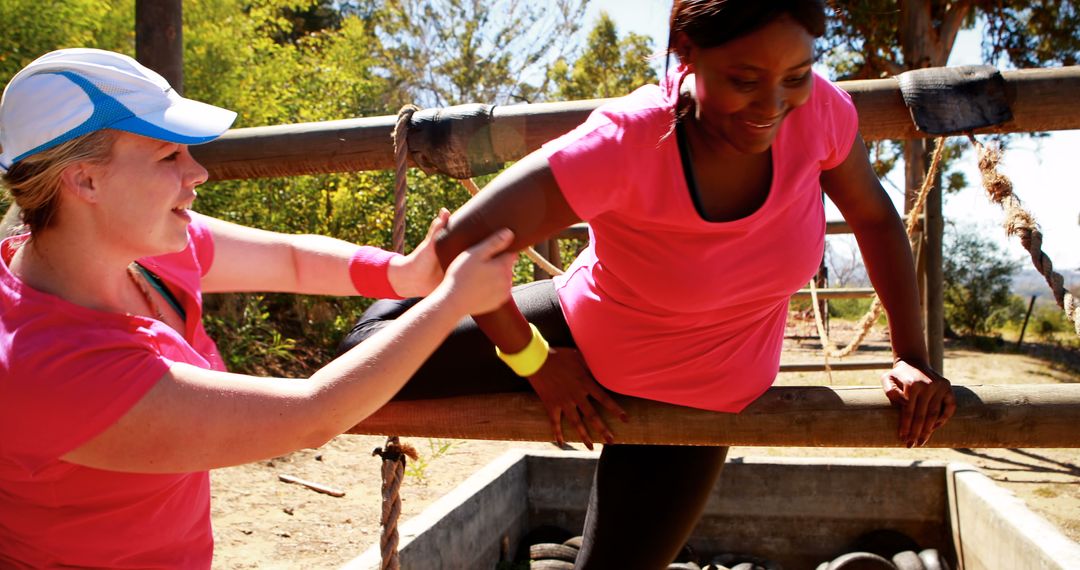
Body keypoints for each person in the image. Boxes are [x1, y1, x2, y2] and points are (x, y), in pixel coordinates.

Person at [340, 1, 959, 568]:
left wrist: (911, 355)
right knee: (361, 354)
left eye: (795, 76)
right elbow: (458, 246)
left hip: (702, 401)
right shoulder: (628, 140)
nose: (773, 104)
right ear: (687, 51)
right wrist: (535, 362)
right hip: (588, 340)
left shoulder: (820, 112)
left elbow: (876, 217)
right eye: (744, 80)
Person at [0, 48, 517, 568]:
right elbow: (312, 415)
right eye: (168, 156)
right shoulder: (45, 367)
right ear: (84, 180)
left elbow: (292, 260)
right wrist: (451, 302)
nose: (197, 172)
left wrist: (402, 274)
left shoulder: (148, 252)